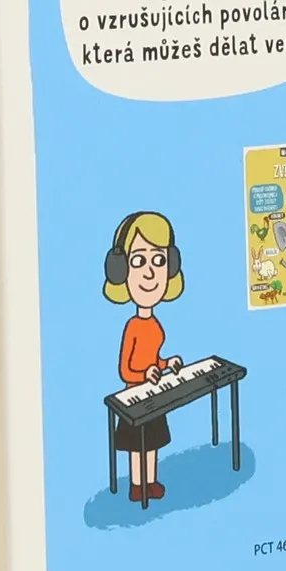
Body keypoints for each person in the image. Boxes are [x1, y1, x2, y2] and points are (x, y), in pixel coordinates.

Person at [103, 209, 186, 503]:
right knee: (136, 446)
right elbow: (125, 370)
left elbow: (154, 358)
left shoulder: (155, 325)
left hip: (153, 394)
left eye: (159, 261)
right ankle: (137, 485)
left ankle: (151, 481)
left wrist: (166, 364)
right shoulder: (133, 326)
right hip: (134, 397)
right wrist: (144, 374)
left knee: (152, 443)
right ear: (120, 271)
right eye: (138, 261)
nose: (150, 273)